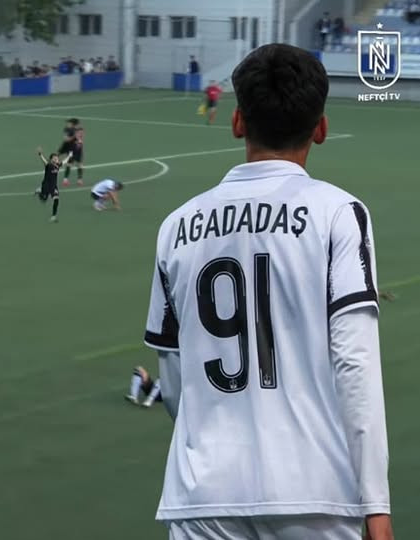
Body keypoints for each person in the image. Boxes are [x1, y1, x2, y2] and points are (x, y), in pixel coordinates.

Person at [143, 43, 392, 540]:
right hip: (314, 492)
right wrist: (376, 505)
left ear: (238, 122)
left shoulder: (176, 227)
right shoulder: (339, 213)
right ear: (320, 129)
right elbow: (355, 363)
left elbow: (172, 375)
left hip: (203, 495)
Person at [34, 147, 69, 223]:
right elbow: (44, 161)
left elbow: (64, 162)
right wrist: (40, 154)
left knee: (56, 199)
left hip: (53, 186)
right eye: (55, 158)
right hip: (46, 185)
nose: (57, 159)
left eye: (57, 158)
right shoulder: (49, 165)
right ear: (51, 159)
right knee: (44, 199)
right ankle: (40, 191)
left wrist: (69, 156)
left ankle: (53, 216)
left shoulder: (58, 165)